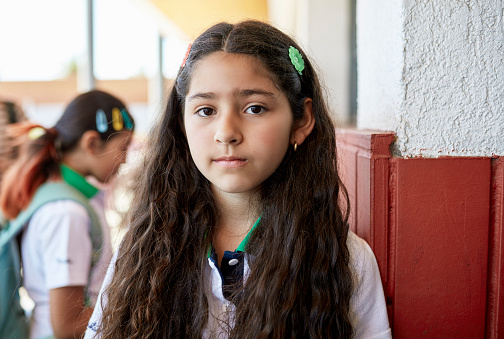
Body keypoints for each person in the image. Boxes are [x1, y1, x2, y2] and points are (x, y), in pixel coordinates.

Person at [85, 20, 391, 338]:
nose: (226, 133)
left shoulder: (345, 259)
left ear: (301, 120)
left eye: (255, 108)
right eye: (205, 110)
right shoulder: (140, 250)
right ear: (181, 123)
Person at [0, 90, 135, 339]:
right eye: (123, 147)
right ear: (92, 143)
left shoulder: (57, 196)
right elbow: (67, 325)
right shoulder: (66, 212)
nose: (125, 160)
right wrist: (136, 305)